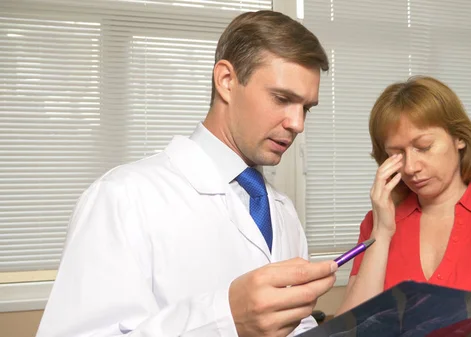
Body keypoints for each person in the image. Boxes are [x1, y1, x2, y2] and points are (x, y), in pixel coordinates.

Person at [37, 10, 337, 337]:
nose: (298, 123)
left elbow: (295, 323)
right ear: (226, 81)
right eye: (282, 98)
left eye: (306, 107)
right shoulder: (123, 197)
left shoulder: (283, 212)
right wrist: (225, 320)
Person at [337, 76, 471, 336]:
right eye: (396, 155)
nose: (410, 168)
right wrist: (382, 235)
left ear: (459, 138)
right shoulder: (376, 225)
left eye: (424, 147)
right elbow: (351, 332)